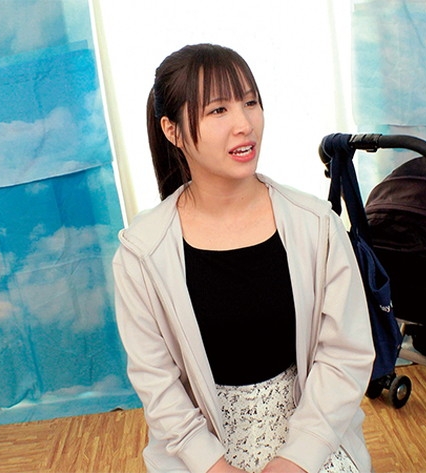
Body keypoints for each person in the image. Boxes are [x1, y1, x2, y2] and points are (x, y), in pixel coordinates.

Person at [112, 43, 376, 473]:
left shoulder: (315, 225)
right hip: (198, 445)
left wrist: (298, 457)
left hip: (310, 429)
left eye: (250, 103)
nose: (244, 124)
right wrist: (212, 464)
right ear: (172, 130)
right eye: (218, 110)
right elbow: (156, 382)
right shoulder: (143, 251)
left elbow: (345, 353)